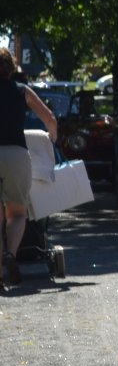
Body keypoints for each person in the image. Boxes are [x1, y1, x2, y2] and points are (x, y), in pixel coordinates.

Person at [0, 47, 59, 286]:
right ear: (11, 68)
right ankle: (11, 254)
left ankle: (0, 273)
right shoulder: (22, 91)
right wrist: (51, 138)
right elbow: (50, 119)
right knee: (17, 213)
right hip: (16, 155)